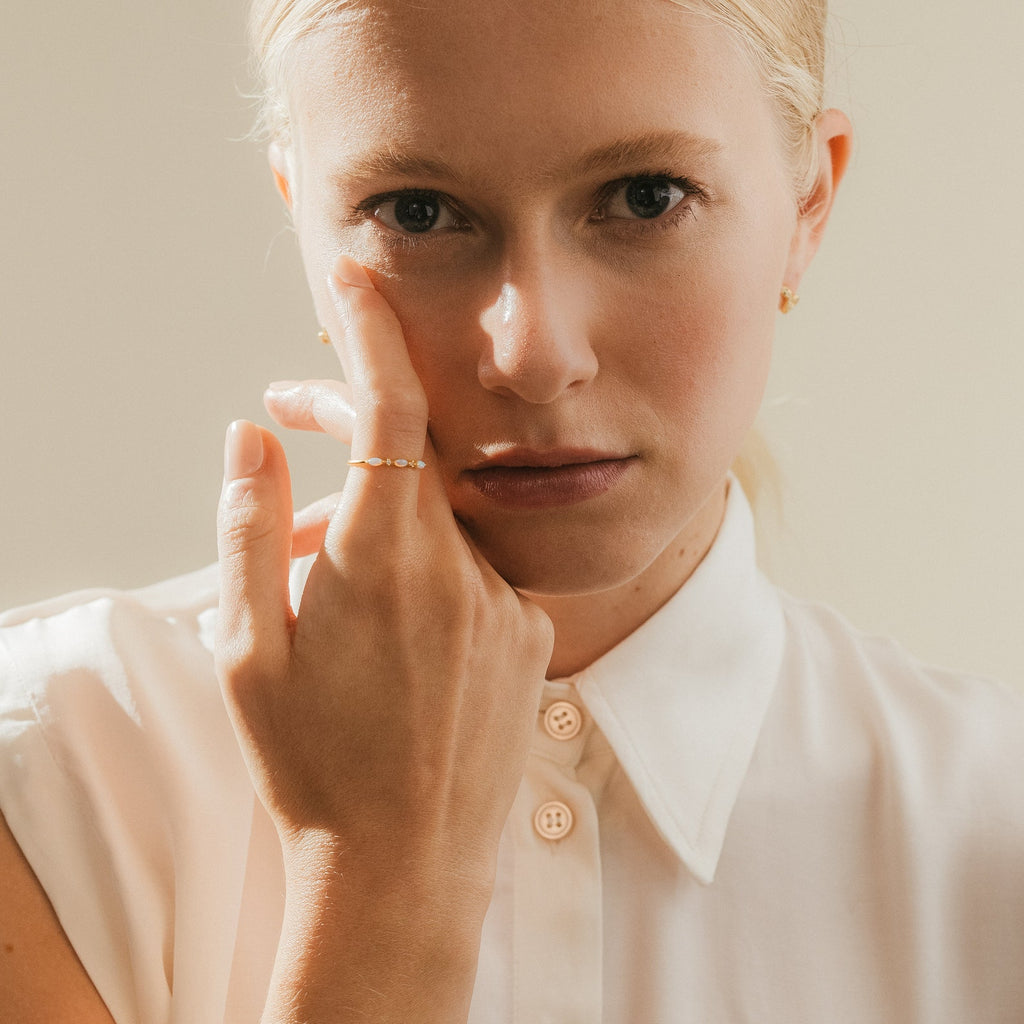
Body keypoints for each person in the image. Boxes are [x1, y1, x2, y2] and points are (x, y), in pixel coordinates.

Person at [1, 0, 1022, 1021]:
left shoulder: (993, 827)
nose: (533, 352)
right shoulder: (50, 771)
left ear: (809, 202)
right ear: (297, 213)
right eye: (417, 212)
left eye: (644, 195)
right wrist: (377, 882)